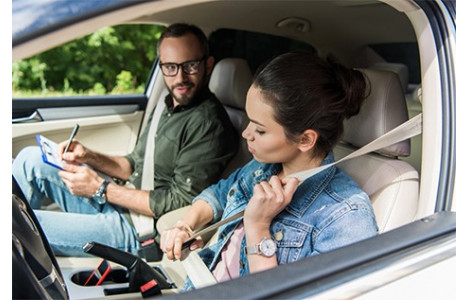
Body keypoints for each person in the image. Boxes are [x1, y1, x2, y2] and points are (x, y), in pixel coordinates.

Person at [12, 23, 238, 258]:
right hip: (124, 202)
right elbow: (133, 164)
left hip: (139, 232)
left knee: (15, 223)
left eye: (190, 66)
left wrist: (101, 188)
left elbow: (179, 201)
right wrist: (89, 156)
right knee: (30, 158)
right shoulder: (168, 104)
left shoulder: (209, 124)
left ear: (208, 65)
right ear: (162, 67)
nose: (180, 77)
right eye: (170, 67)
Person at [160, 52, 379, 291]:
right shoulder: (261, 168)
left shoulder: (345, 217)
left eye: (260, 130)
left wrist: (258, 228)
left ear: (305, 139)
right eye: (249, 121)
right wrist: (186, 225)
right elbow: (218, 194)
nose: (246, 134)